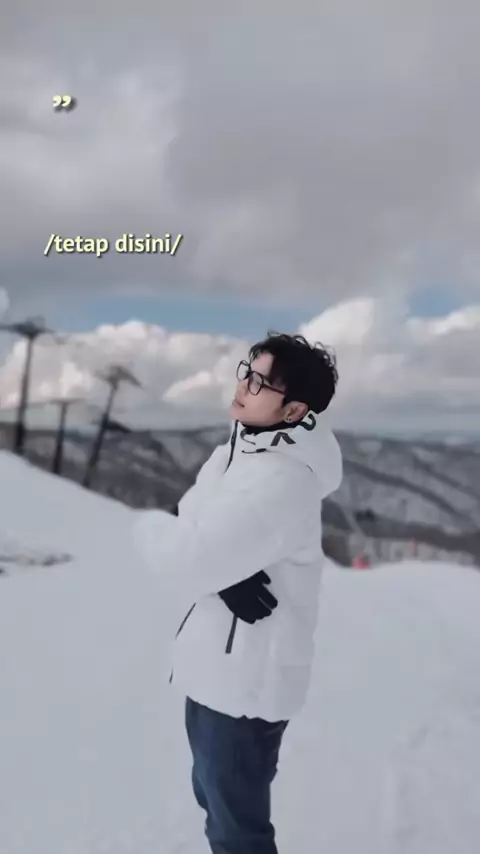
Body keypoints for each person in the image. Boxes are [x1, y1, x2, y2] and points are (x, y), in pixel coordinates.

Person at [133, 331, 342, 854]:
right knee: (215, 799)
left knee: (237, 831)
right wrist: (220, 568)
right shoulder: (237, 449)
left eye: (260, 382)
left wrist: (149, 528)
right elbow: (191, 519)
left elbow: (183, 558)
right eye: (247, 372)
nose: (244, 386)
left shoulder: (283, 478)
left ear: (294, 411)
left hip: (245, 682)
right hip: (215, 668)